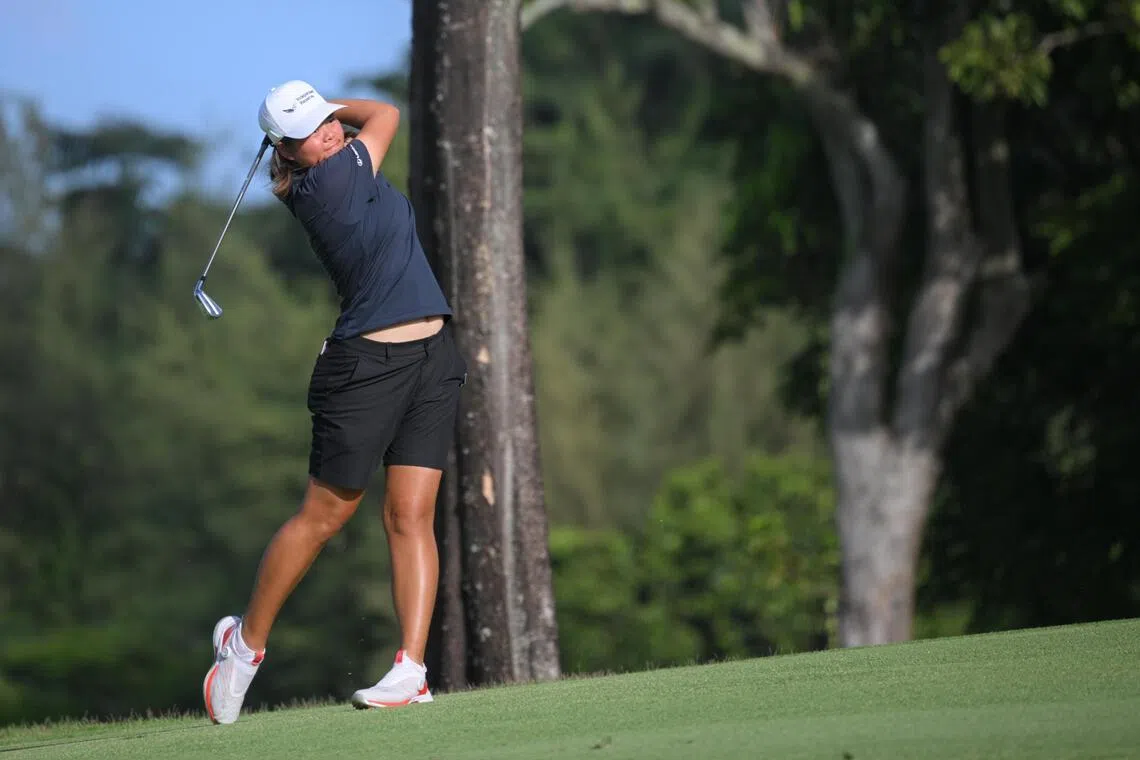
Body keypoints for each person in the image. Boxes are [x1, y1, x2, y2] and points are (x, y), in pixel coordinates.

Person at [202, 80, 467, 725]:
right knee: (324, 517)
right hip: (366, 369)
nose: (328, 131)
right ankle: (247, 645)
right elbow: (383, 113)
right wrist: (331, 113)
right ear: (287, 153)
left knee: (412, 517)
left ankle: (411, 669)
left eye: (325, 122)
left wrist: (313, 112)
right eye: (309, 132)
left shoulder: (334, 160)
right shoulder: (330, 183)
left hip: (433, 356)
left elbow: (374, 119)